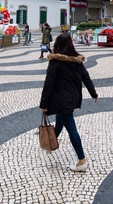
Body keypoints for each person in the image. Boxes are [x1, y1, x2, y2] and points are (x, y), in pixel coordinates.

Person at [40, 33, 98, 172]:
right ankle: (50, 145)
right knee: (60, 120)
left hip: (61, 99)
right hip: (72, 97)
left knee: (71, 128)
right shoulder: (76, 61)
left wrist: (43, 103)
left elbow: (49, 83)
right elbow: (86, 77)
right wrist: (93, 93)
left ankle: (82, 160)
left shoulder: (55, 62)